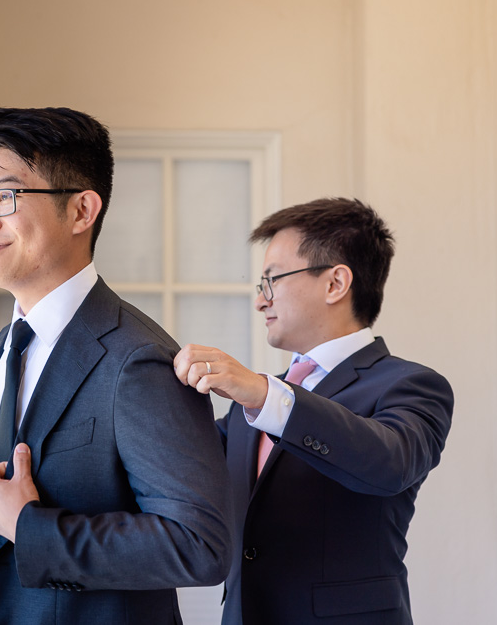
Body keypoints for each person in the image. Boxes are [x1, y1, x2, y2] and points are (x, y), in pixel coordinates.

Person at [0, 107, 232, 625]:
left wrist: (31, 527)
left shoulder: (139, 359)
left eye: (4, 197)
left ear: (81, 211)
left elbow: (199, 545)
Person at [174, 197, 453, 625]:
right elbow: (178, 461)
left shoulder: (411, 385)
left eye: (272, 280)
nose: (260, 301)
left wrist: (265, 394)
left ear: (335, 283)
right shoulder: (253, 406)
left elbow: (390, 462)